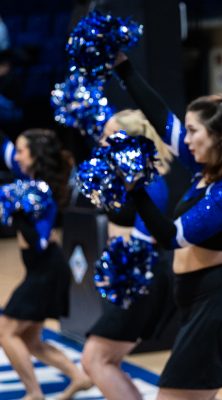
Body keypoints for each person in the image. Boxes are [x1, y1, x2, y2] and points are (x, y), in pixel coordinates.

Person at [113, 53, 222, 400]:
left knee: (171, 395)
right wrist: (124, 67)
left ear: (217, 135)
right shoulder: (204, 170)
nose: (187, 138)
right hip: (197, 298)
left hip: (218, 298)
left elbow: (172, 237)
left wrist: (135, 189)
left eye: (194, 130)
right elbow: (160, 116)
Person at [81, 109, 174, 400]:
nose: (102, 142)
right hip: (124, 277)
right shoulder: (127, 179)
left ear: (131, 142)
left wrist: (117, 281)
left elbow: (142, 248)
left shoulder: (151, 183)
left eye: (109, 136)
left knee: (95, 359)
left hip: (138, 280)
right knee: (110, 359)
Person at [0, 129, 92, 400]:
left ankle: (34, 393)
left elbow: (33, 231)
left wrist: (11, 207)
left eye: (21, 151)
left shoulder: (37, 191)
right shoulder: (29, 183)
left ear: (35, 156)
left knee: (6, 332)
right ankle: (79, 377)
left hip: (46, 271)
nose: (16, 157)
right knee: (29, 341)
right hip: (45, 269)